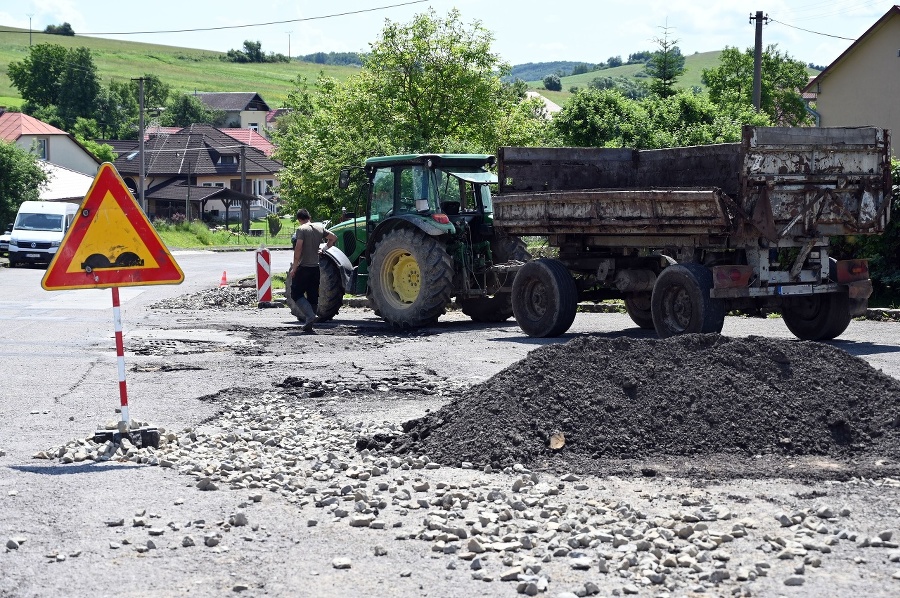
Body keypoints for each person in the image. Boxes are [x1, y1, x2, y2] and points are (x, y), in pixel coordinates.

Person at [289, 208, 336, 332]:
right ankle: (310, 324)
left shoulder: (301, 229)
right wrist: (324, 249)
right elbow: (333, 238)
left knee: (296, 292)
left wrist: (294, 268)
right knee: (313, 295)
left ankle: (310, 316)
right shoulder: (319, 228)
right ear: (309, 216)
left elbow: (298, 249)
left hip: (304, 267)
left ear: (299, 219)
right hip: (316, 268)